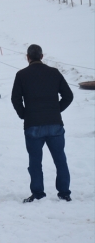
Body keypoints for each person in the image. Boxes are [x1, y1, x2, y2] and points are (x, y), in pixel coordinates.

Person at [11, 44, 74, 203]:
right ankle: (64, 192)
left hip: (32, 125)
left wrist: (24, 115)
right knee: (60, 159)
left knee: (35, 161)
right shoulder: (54, 73)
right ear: (42, 56)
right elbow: (68, 96)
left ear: (28, 57)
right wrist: (56, 110)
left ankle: (38, 193)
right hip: (54, 124)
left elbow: (15, 98)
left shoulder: (21, 75)